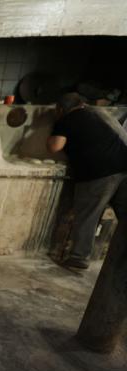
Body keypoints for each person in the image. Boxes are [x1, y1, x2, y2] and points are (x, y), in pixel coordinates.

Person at [47, 93, 127, 270]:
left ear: (60, 109)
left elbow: (55, 147)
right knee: (124, 215)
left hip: (98, 173)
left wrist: (54, 128)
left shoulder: (67, 119)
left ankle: (79, 257)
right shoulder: (96, 114)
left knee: (88, 214)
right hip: (123, 166)